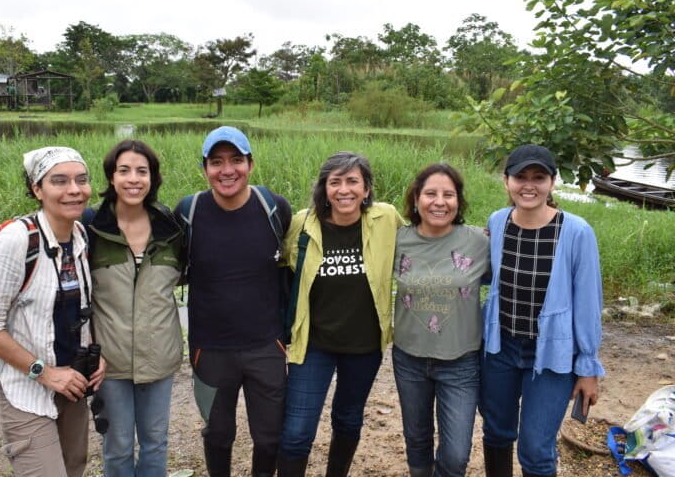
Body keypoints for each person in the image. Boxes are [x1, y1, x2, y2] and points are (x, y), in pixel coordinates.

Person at [0, 146, 105, 477]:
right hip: (25, 388)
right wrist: (45, 373)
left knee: (74, 467)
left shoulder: (80, 236)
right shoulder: (16, 241)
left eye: (81, 180)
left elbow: (83, 307)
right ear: (37, 189)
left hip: (71, 380)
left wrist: (97, 355)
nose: (74, 190)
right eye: (59, 181)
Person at [277, 151, 405, 477]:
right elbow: (274, 267)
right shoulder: (302, 224)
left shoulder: (386, 219)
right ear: (324, 188)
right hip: (313, 344)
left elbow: (422, 243)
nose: (344, 190)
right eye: (335, 182)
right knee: (296, 433)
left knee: (348, 419)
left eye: (352, 181)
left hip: (364, 346)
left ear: (366, 189)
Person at [480, 144, 605, 477]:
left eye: (539, 177)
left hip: (552, 355)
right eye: (520, 177)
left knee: (535, 450)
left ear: (552, 182)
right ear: (506, 181)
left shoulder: (576, 232)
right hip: (500, 348)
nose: (529, 185)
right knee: (496, 433)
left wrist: (588, 367)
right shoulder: (498, 222)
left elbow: (589, 302)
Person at [174, 126, 292, 477]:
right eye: (217, 162)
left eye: (236, 160)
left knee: (270, 438)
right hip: (209, 350)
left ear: (250, 164)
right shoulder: (188, 212)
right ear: (205, 168)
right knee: (218, 435)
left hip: (267, 347)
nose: (227, 170)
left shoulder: (273, 207)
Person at [83, 140, 184, 476]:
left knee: (156, 441)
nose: (133, 179)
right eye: (123, 170)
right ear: (111, 177)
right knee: (118, 446)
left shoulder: (172, 229)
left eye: (142, 171)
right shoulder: (91, 227)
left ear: (153, 178)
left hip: (160, 355)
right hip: (109, 363)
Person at [392, 163, 490, 477]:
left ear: (458, 202)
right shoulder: (396, 241)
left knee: (457, 453)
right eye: (430, 193)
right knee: (417, 438)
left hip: (461, 361)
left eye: (448, 194)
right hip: (409, 357)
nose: (439, 202)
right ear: (416, 199)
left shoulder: (478, 241)